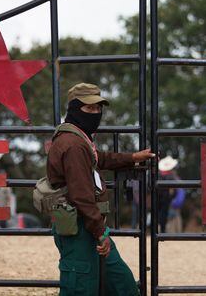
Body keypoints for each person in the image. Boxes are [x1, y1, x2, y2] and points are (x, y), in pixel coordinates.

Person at [47, 83, 154, 296]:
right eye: (89, 108)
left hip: (88, 224)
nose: (95, 113)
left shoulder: (78, 138)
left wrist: (131, 158)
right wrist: (100, 233)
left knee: (120, 283)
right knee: (81, 288)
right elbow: (81, 196)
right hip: (80, 225)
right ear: (75, 109)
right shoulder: (74, 144)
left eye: (98, 109)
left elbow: (99, 158)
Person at [158, 156, 186, 233]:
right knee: (171, 219)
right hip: (171, 202)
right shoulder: (173, 178)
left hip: (167, 202)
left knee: (164, 219)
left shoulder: (160, 176)